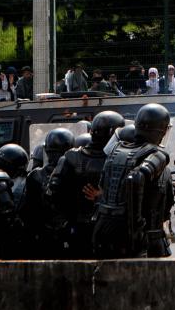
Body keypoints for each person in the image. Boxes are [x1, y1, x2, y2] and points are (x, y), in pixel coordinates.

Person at [92, 104, 173, 258]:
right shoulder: (157, 154)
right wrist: (136, 227)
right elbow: (136, 178)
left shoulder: (115, 150)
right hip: (137, 237)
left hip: (103, 231)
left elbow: (103, 187)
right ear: (161, 131)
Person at [46, 110, 124, 257]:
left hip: (83, 228)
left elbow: (52, 194)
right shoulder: (119, 160)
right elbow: (53, 193)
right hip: (99, 229)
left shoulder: (70, 157)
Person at [21, 127, 75, 258]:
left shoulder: (34, 175)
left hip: (41, 235)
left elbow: (28, 211)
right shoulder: (73, 173)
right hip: (67, 233)